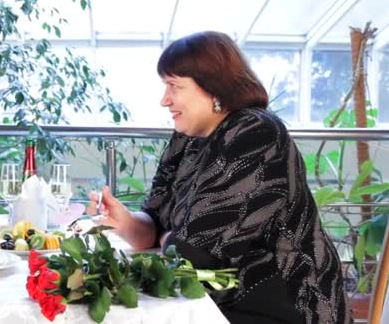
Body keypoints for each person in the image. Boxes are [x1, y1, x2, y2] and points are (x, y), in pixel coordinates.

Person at [87, 31, 350, 323]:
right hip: (214, 298)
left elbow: (192, 254)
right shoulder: (185, 140)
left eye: (174, 86)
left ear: (214, 89)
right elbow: (156, 225)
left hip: (282, 301)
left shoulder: (255, 132)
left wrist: (172, 240)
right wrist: (125, 221)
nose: (164, 100)